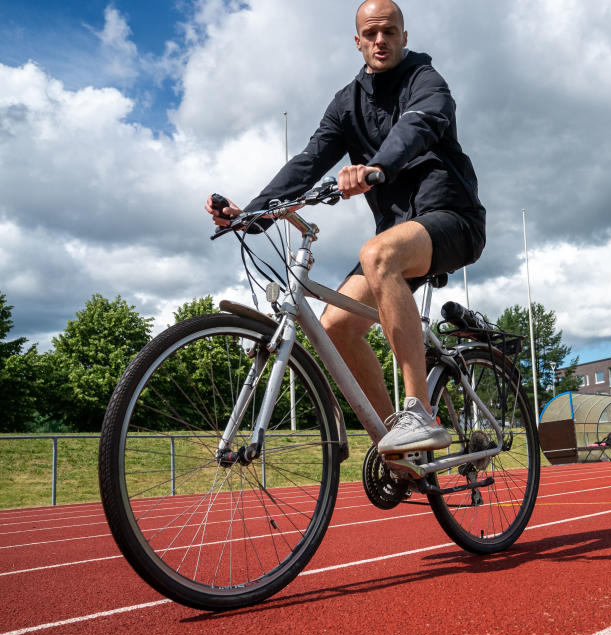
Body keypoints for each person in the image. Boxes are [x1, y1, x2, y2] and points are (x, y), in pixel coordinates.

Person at [204, 0, 486, 455]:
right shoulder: (346, 104)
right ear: (357, 42)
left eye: (389, 32)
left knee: (380, 252)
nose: (380, 41)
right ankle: (394, 443)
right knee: (335, 326)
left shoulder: (426, 82)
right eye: (370, 34)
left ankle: (420, 414)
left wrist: (376, 166)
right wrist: (251, 216)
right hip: (397, 236)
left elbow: (417, 126)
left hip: (452, 219)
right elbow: (309, 161)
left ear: (404, 36)